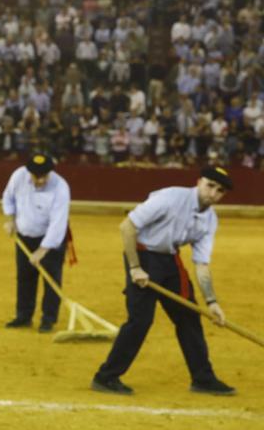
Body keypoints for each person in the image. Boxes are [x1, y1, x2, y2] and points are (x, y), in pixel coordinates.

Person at [92, 167, 236, 395]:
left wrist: (211, 302)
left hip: (170, 260)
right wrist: (135, 268)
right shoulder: (170, 197)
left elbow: (201, 263)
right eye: (210, 185)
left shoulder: (210, 220)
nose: (213, 194)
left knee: (189, 317)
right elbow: (127, 226)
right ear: (198, 182)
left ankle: (203, 379)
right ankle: (106, 377)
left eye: (220, 191)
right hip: (142, 255)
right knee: (140, 320)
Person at [2, 154, 71, 333]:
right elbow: (8, 198)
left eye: (44, 176)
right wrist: (11, 220)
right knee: (24, 277)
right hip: (24, 236)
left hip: (50, 240)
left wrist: (42, 250)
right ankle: (23, 316)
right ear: (29, 172)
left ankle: (48, 319)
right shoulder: (18, 176)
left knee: (51, 280)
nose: (40, 180)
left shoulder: (61, 188)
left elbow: (58, 224)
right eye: (36, 176)